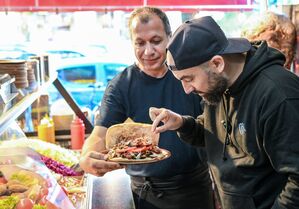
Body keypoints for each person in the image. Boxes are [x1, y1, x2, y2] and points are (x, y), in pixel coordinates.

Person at [149, 16, 299, 209]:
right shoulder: (218, 84)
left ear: (217, 63)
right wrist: (182, 123)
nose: (187, 89)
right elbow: (217, 134)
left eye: (189, 78)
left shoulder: (279, 95)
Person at [79, 7, 215, 209]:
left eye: (156, 41)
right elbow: (100, 133)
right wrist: (86, 157)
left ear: (169, 38)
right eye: (140, 43)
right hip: (145, 194)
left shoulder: (189, 74)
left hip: (194, 190)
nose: (148, 51)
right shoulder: (121, 85)